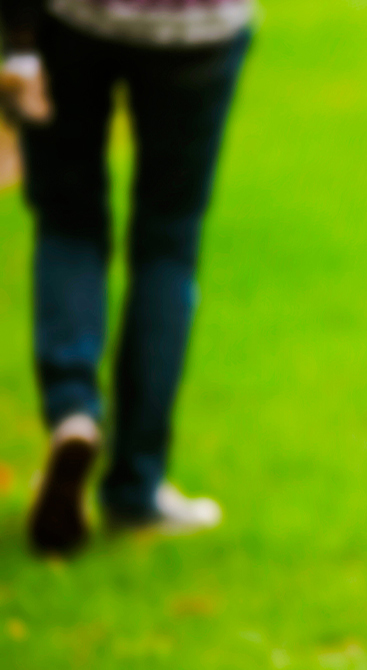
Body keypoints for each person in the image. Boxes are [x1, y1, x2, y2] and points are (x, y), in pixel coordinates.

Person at [0, 0, 254, 555]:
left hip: (75, 20)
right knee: (168, 244)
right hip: (201, 31)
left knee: (69, 223)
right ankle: (135, 486)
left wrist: (16, 44)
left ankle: (72, 411)